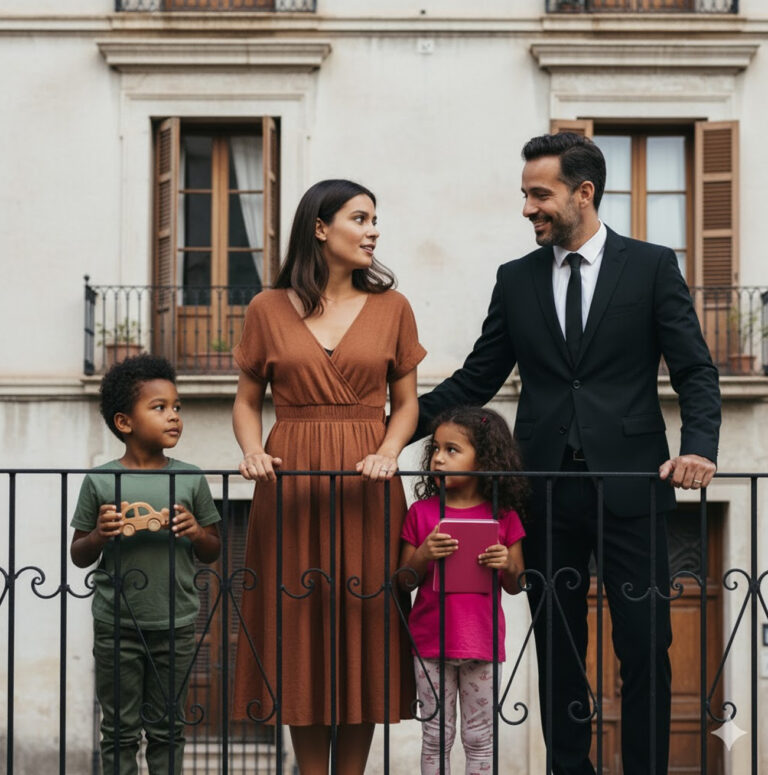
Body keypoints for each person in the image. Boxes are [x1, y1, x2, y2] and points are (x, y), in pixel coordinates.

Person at [416, 133, 721, 775]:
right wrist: (388, 432)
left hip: (633, 487)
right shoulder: (516, 279)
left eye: (539, 194)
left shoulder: (651, 266)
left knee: (645, 646)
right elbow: (476, 379)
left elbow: (695, 370)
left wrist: (699, 449)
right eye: (525, 194)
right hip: (545, 493)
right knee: (558, 647)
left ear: (583, 193)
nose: (528, 207)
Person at [231, 179, 426, 774]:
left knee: (365, 624)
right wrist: (250, 453)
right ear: (321, 228)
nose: (373, 231)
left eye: (375, 220)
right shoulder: (266, 307)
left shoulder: (394, 307)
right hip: (290, 483)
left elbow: (410, 402)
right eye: (360, 219)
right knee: (298, 628)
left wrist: (391, 450)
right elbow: (246, 402)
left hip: (368, 482)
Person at [70, 354, 221, 775]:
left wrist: (195, 532)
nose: (174, 416)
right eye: (160, 408)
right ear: (124, 422)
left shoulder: (190, 478)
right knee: (118, 728)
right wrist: (100, 534)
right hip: (116, 623)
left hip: (175, 622)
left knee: (167, 728)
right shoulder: (100, 480)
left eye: (177, 408)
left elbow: (213, 549)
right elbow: (79, 552)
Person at [400, 406, 527, 775]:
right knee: (435, 736)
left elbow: (517, 585)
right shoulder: (421, 513)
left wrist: (507, 562)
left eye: (451, 450)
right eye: (435, 449)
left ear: (484, 458)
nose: (438, 458)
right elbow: (403, 581)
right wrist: (424, 555)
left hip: (481, 644)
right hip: (428, 643)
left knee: (480, 738)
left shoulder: (505, 517)